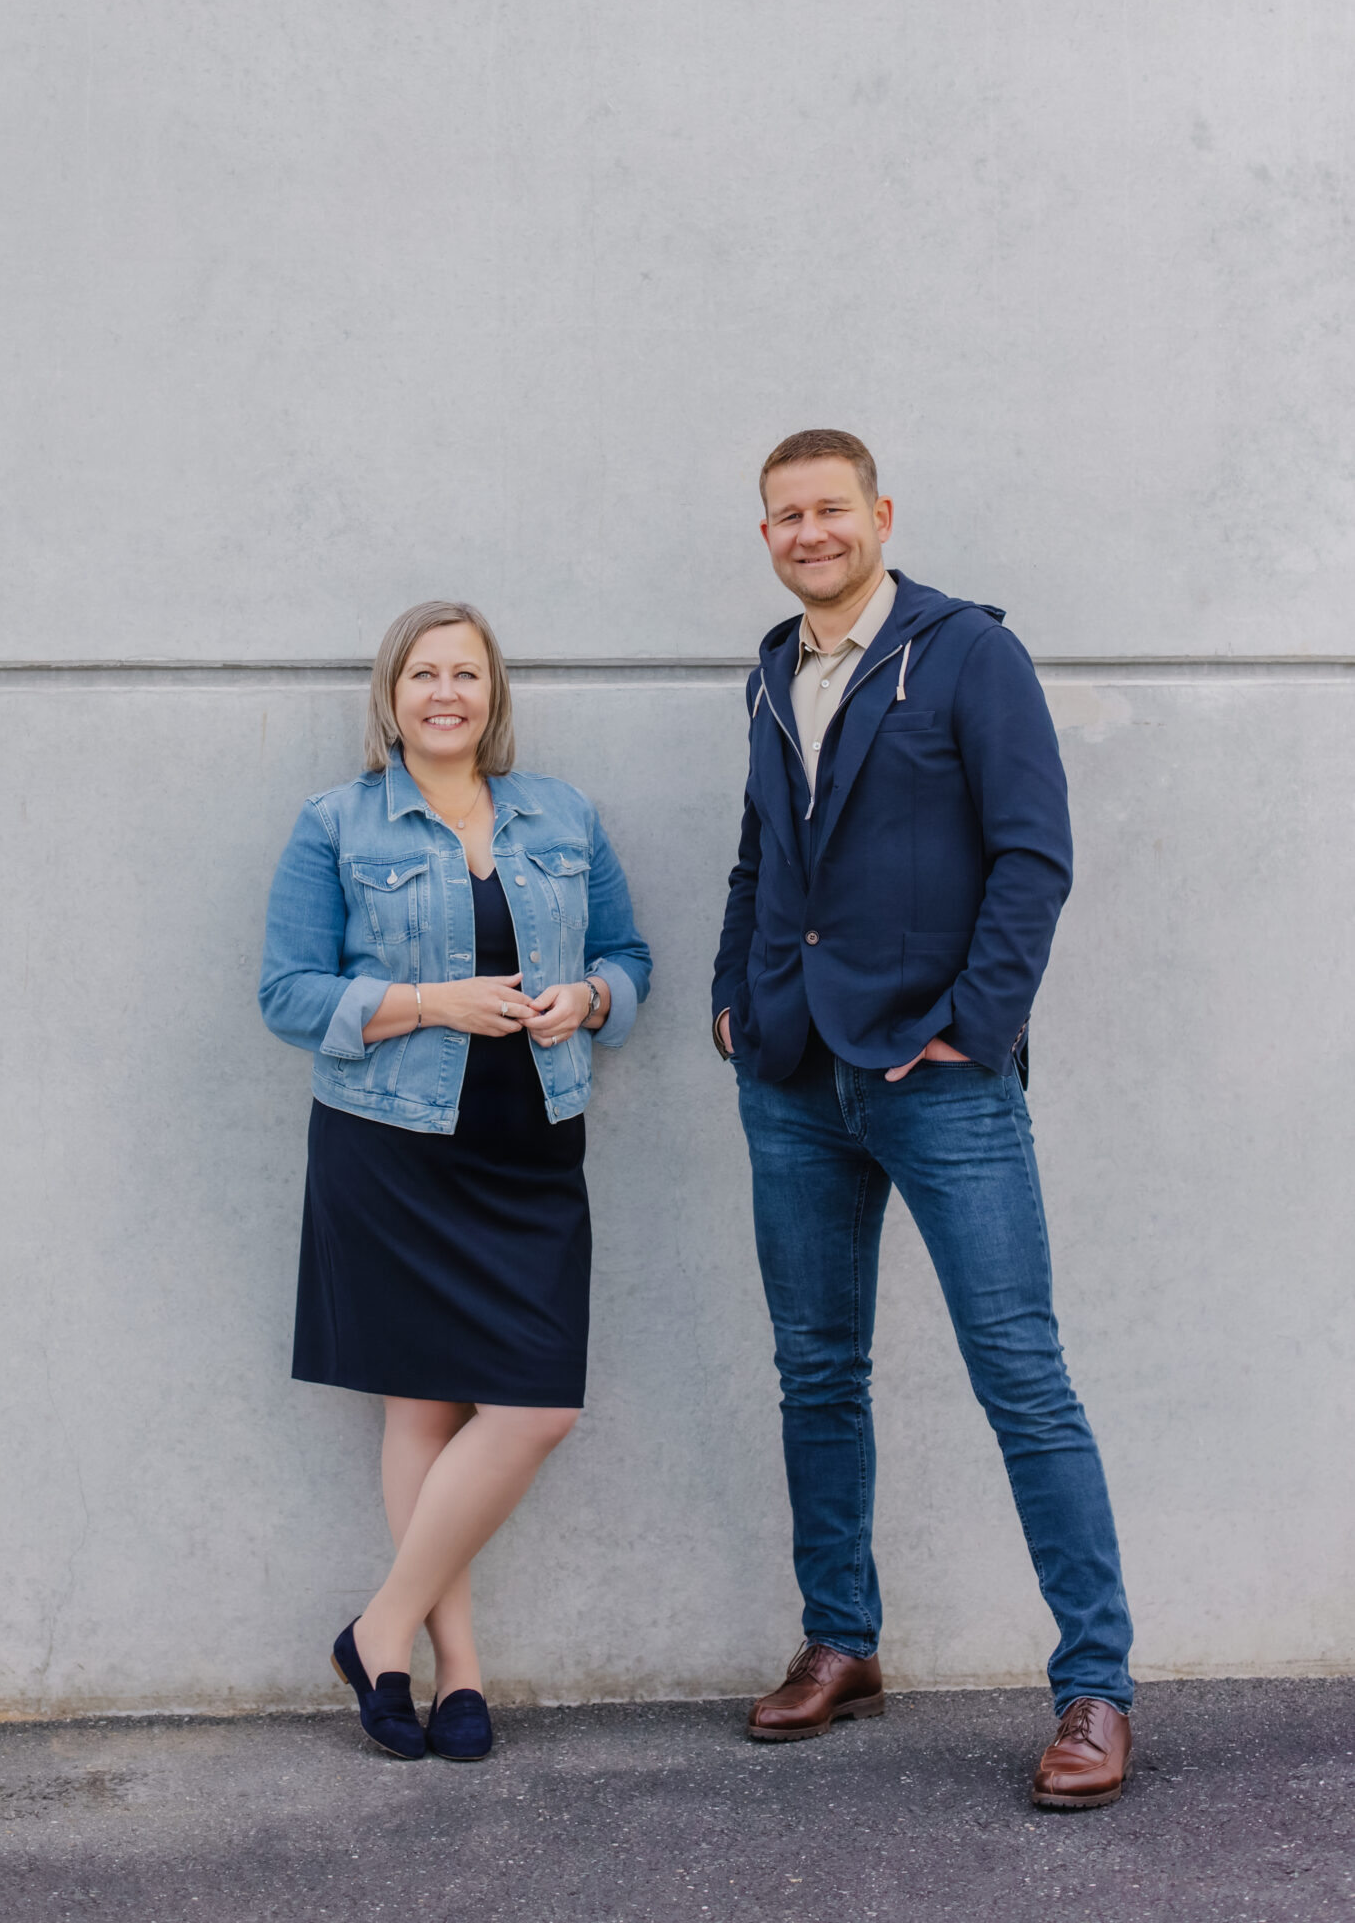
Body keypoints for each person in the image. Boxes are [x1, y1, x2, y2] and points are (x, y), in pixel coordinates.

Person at [712, 431, 1134, 1812]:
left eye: (831, 508)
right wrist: (733, 999)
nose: (810, 532)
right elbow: (762, 850)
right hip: (793, 1078)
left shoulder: (968, 654)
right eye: (787, 515)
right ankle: (841, 1641)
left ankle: (1095, 1687)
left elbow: (1033, 854)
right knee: (816, 1372)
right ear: (766, 534)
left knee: (1022, 1375)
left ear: (880, 514)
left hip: (937, 1079)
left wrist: (976, 1027)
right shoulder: (774, 668)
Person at [259, 599, 651, 1762]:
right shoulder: (335, 823)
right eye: (423, 673)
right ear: (391, 696)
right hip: (391, 1148)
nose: (445, 692)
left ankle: (377, 1628)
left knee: (536, 1409)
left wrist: (588, 998)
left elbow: (629, 960)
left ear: (493, 694)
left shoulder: (562, 813)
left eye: (466, 674)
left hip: (532, 1150)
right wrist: (433, 1003)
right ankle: (455, 1671)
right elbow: (286, 993)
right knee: (421, 1406)